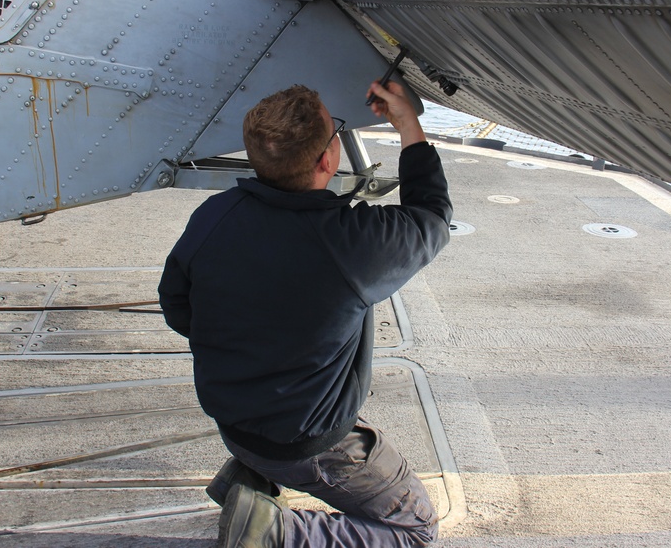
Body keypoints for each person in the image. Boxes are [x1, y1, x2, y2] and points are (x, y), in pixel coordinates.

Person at [158, 80, 452, 547]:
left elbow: (177, 308)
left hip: (234, 423)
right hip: (305, 444)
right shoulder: (352, 242)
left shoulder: (214, 216)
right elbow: (431, 218)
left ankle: (247, 480)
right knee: (414, 529)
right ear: (326, 162)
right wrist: (408, 123)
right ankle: (271, 533)